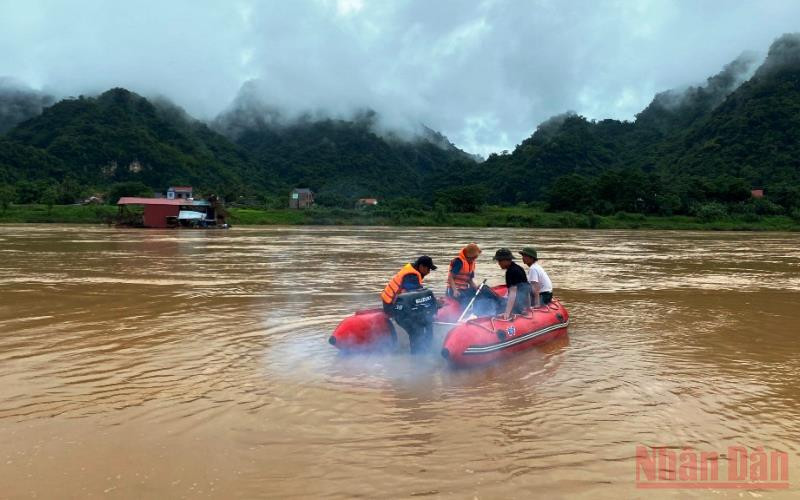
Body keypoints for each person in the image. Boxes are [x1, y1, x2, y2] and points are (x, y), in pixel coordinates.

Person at [380, 256, 437, 353]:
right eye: (428, 269)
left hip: (396, 303)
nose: (428, 272)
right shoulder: (411, 276)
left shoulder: (412, 270)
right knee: (417, 329)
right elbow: (414, 294)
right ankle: (416, 357)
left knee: (426, 320)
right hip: (393, 307)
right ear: (422, 267)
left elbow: (416, 294)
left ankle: (424, 349)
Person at [493, 248, 531, 319]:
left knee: (494, 303)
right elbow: (527, 288)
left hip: (517, 305)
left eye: (500, 261)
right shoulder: (519, 268)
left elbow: (513, 293)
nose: (498, 263)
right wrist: (528, 306)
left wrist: (507, 313)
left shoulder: (510, 272)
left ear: (506, 260)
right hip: (522, 304)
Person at [446, 243, 481, 308]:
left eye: (475, 257)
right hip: (453, 290)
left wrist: (476, 287)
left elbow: (469, 280)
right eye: (474, 257)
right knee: (464, 301)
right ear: (469, 255)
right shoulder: (459, 262)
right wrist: (455, 290)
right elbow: (450, 277)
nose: (474, 259)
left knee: (478, 294)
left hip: (463, 290)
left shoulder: (472, 263)